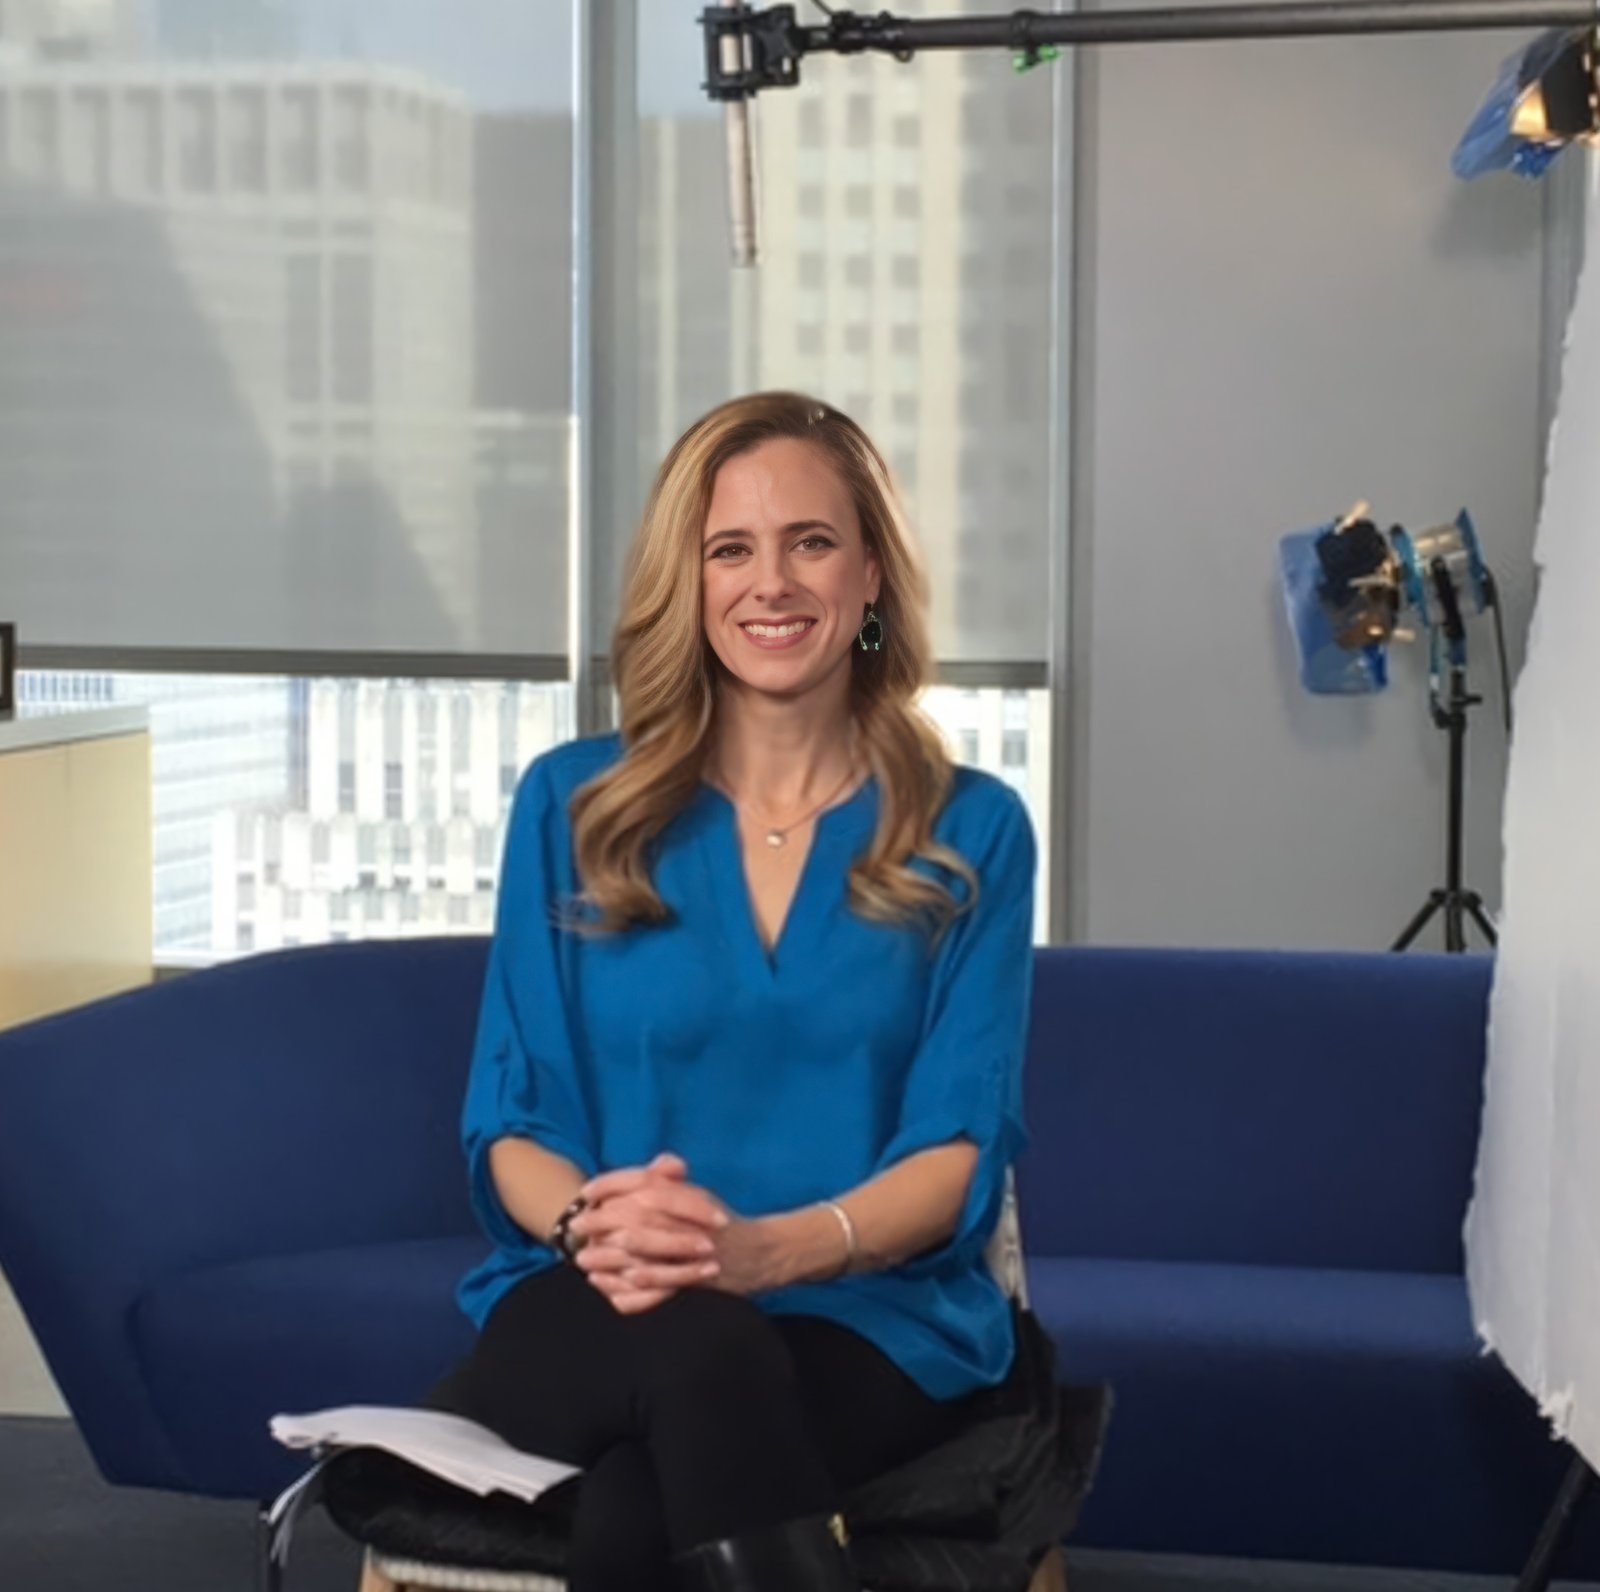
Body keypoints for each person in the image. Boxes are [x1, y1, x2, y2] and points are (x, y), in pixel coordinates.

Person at [435, 391, 1037, 1592]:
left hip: (868, 1315)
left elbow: (960, 1148)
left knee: (632, 1508)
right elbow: (513, 1120)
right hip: (588, 1290)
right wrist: (602, 1228)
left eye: (810, 541)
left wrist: (772, 1250)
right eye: (730, 548)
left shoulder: (973, 829)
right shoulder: (572, 804)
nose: (773, 581)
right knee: (699, 1352)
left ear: (870, 573)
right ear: (690, 581)